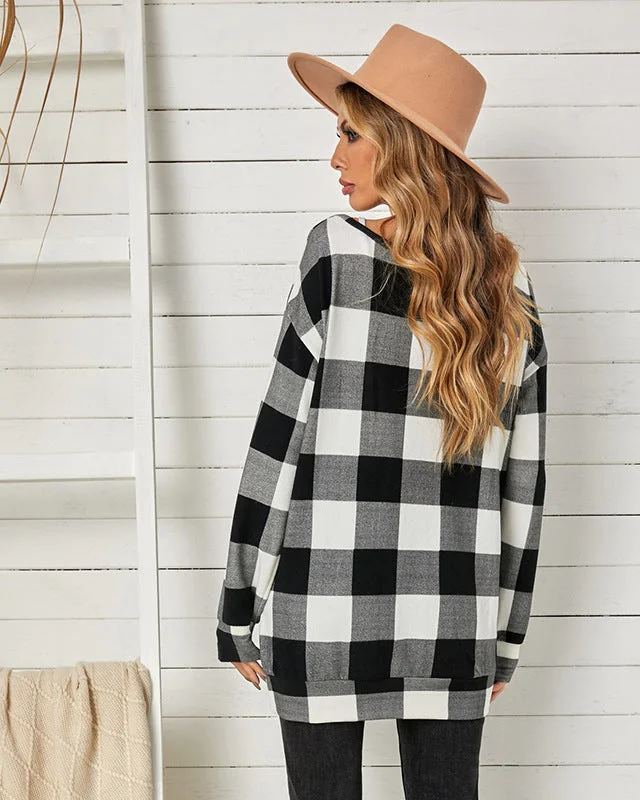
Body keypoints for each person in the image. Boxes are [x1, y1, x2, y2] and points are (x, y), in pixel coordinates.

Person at [215, 24, 547, 800]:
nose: (335, 157)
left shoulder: (335, 254)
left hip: (323, 615)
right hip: (454, 625)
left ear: (401, 146)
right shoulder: (510, 287)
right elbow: (524, 486)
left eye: (350, 134)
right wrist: (504, 636)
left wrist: (239, 607)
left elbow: (278, 441)